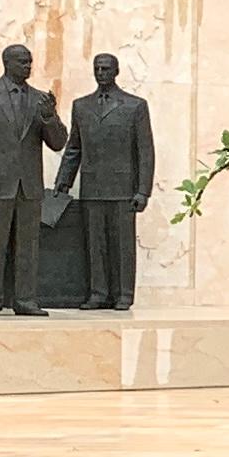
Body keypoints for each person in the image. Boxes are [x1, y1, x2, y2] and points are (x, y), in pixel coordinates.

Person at [0, 42, 68, 318]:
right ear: (7, 63)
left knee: (28, 248)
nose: (28, 67)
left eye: (30, 62)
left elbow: (58, 143)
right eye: (23, 62)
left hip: (29, 188)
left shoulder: (40, 100)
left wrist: (50, 116)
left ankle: (25, 300)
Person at [61, 52, 157, 314]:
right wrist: (64, 182)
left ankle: (124, 293)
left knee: (123, 246)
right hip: (92, 187)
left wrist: (143, 190)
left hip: (124, 189)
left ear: (116, 71)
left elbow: (145, 151)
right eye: (97, 68)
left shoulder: (134, 106)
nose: (101, 72)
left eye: (106, 68)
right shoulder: (81, 106)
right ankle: (98, 292)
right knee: (95, 245)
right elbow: (74, 148)